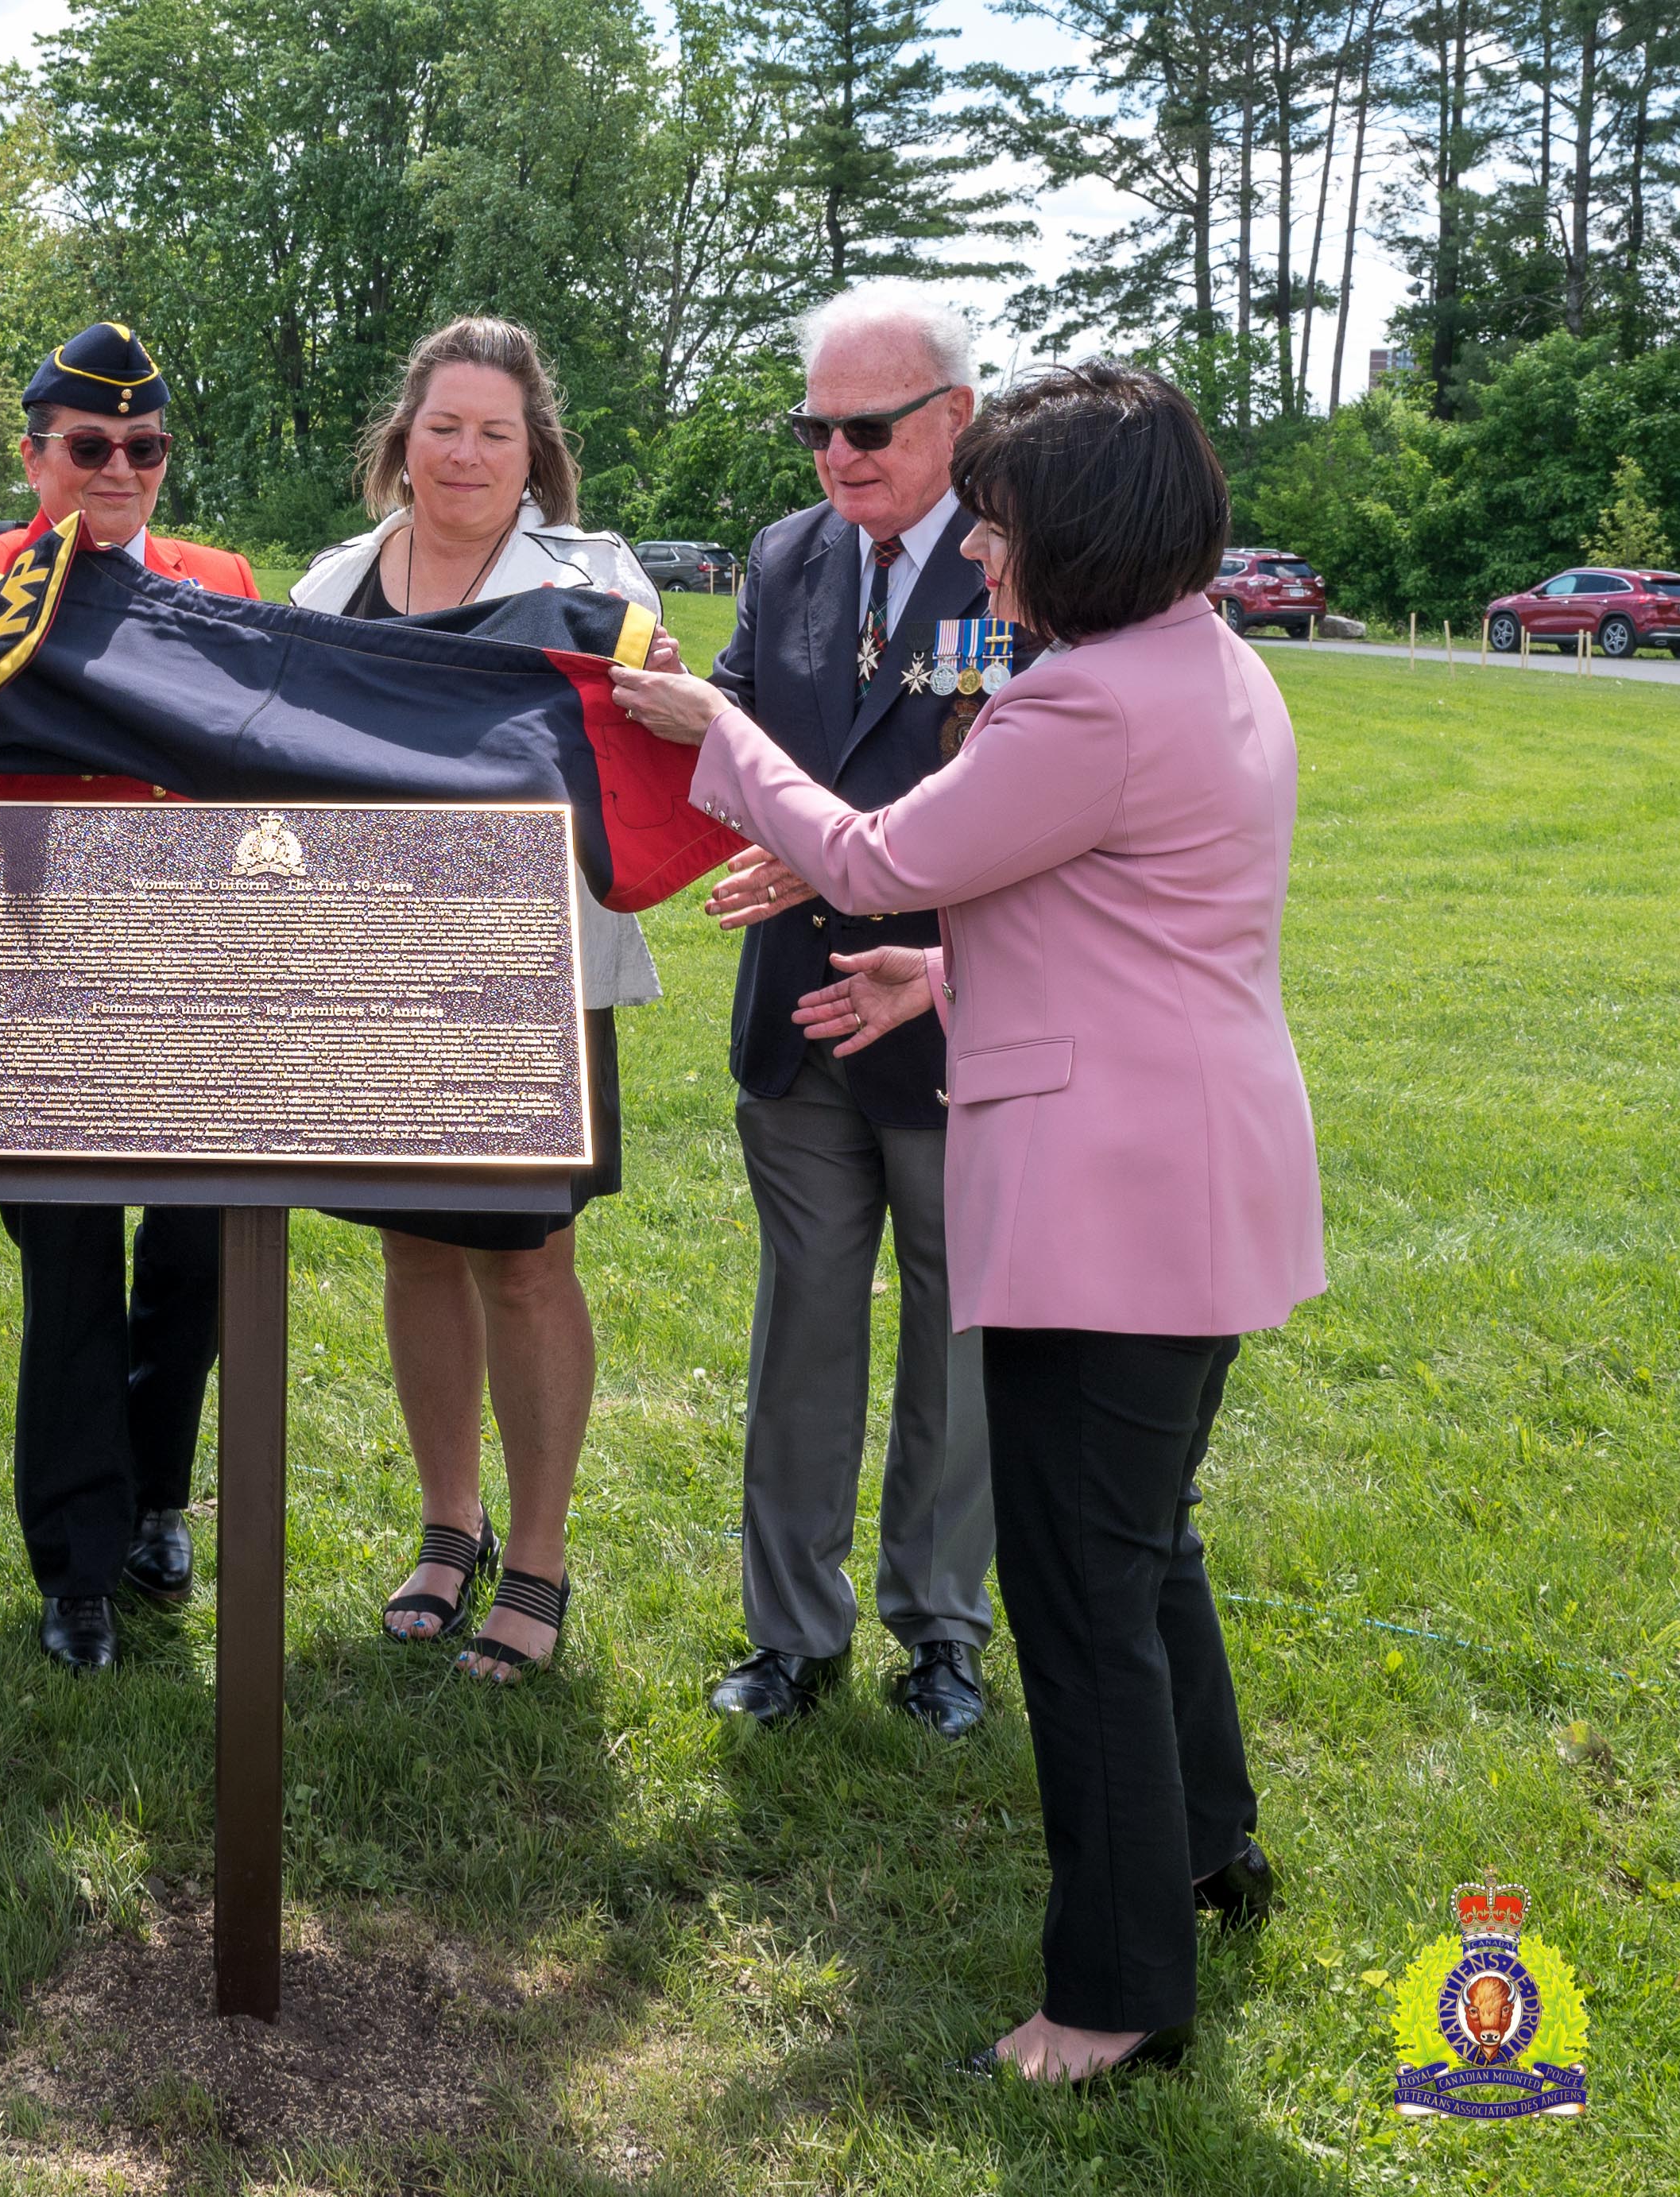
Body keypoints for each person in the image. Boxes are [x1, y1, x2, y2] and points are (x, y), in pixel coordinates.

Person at [612, 359, 1324, 2083]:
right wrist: (947, 973)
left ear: (1070, 534)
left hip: (1113, 1189)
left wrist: (727, 737)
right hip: (1202, 1158)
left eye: (1000, 522)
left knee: (1080, 1589)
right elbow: (1137, 898)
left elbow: (865, 850)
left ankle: (1119, 1989)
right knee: (1146, 1540)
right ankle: (1208, 1842)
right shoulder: (1199, 659)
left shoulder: (1083, 702)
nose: (981, 553)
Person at [288, 316, 663, 1681]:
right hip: (376, 966)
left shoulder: (596, 579)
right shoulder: (334, 580)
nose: (465, 453)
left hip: (529, 972)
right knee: (414, 1247)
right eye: (443, 426)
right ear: (404, 439)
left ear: (534, 452)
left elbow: (634, 763)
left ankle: (543, 1559)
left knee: (526, 1259)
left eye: (494, 432)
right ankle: (450, 1528)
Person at [0, 322, 259, 1675]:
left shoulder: (218, 580)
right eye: (90, 447)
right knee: (70, 1277)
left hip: (190, 978)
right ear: (35, 451)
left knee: (195, 1259)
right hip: (39, 981)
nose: (120, 470)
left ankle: (159, 1497)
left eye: (145, 449)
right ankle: (78, 1560)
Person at [693, 281, 999, 1740]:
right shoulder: (788, 555)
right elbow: (733, 728)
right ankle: (791, 1635)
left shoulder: (1022, 569)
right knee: (804, 1324)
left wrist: (848, 862)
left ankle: (941, 1629)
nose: (836, 455)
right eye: (816, 428)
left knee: (959, 1333)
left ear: (957, 418)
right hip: (803, 1011)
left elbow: (1029, 784)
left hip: (958, 1010)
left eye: (867, 427)